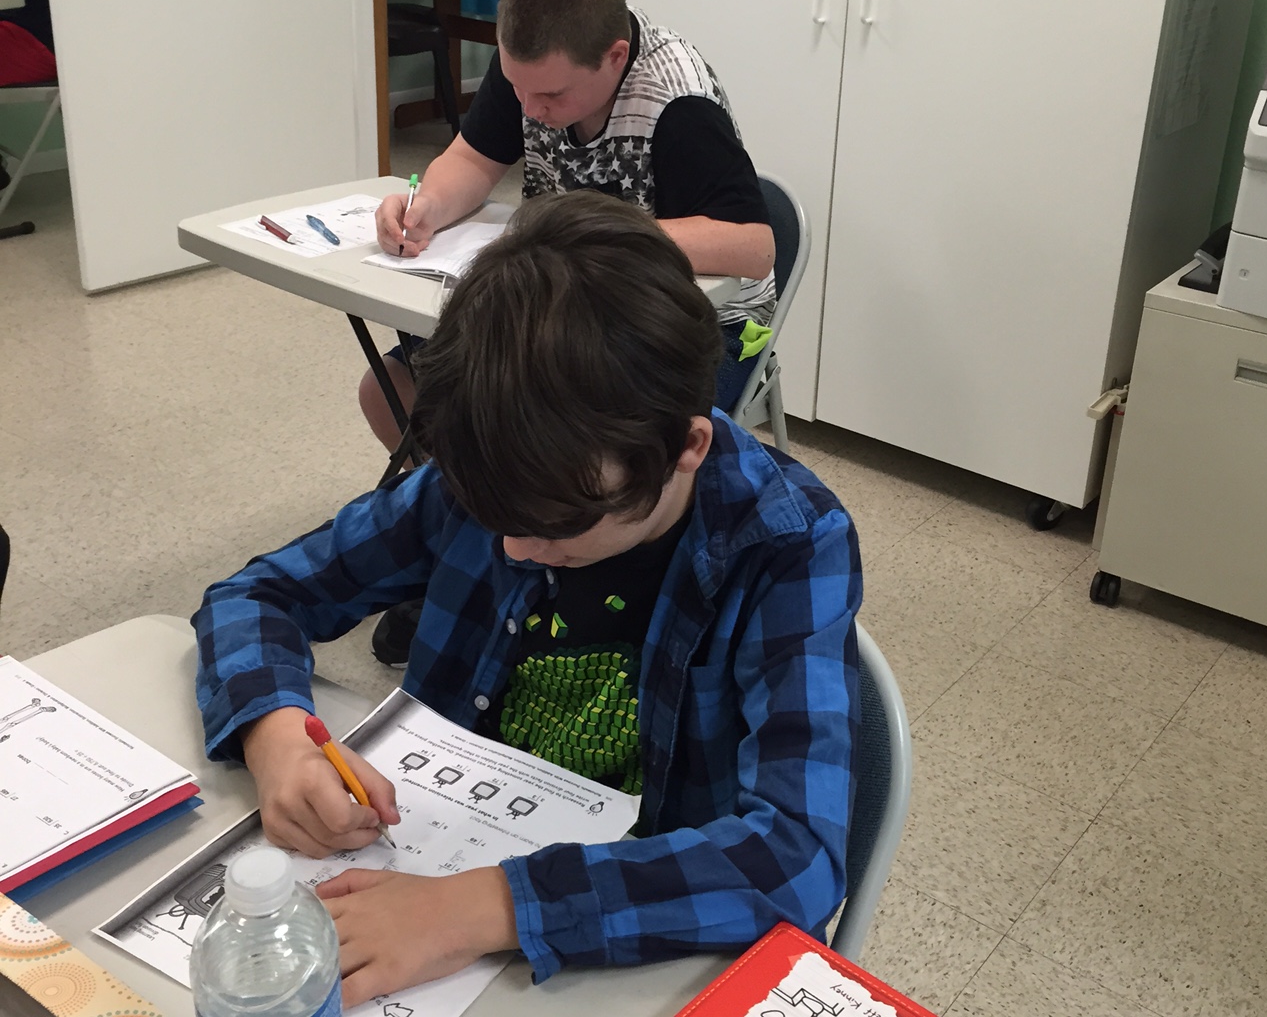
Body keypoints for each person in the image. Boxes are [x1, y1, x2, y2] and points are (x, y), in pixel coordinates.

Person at [195, 191, 861, 1010]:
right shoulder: (500, 468)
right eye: (493, 517)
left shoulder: (787, 545)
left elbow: (796, 855)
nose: (513, 549)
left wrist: (482, 908)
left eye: (553, 525)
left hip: (630, 933)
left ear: (685, 448)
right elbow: (257, 593)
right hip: (452, 865)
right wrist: (275, 738)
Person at [360, 0, 777, 455]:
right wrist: (426, 206)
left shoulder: (677, 103)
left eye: (552, 96)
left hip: (696, 321)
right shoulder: (532, 71)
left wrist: (583, 234)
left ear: (615, 57)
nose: (531, 108)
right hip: (564, 302)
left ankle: (535, 521)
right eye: (517, 88)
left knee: (572, 439)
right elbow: (472, 161)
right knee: (390, 391)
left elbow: (753, 247)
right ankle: (482, 520)